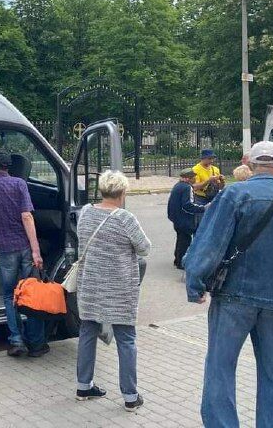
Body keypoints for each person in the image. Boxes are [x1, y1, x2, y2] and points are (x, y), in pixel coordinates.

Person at [185, 141, 273, 428]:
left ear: (247, 163)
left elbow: (210, 243)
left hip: (235, 297)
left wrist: (195, 283)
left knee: (220, 369)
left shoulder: (234, 194)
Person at [75, 170, 150, 412]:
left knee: (87, 333)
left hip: (90, 287)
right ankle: (130, 396)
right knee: (126, 340)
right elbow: (145, 248)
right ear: (122, 192)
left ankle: (83, 387)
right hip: (119, 290)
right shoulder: (124, 219)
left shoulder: (85, 213)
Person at [0, 150, 48, 358]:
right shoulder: (19, 184)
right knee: (31, 295)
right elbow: (26, 216)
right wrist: (36, 250)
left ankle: (16, 340)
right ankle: (36, 343)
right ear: (8, 167)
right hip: (25, 247)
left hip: (4, 249)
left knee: (9, 296)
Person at [167, 168, 206, 269]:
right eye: (193, 177)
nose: (195, 178)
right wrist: (203, 208)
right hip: (184, 218)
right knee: (186, 240)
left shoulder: (178, 185)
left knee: (181, 239)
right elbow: (187, 205)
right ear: (188, 178)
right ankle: (181, 262)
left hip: (176, 218)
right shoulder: (187, 188)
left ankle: (177, 259)